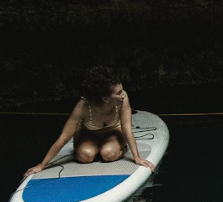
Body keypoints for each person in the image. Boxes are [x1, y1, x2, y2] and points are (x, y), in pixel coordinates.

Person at [26, 67, 154, 177]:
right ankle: (91, 149)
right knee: (85, 157)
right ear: (105, 98)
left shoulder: (123, 99)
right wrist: (42, 165)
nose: (123, 95)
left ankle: (119, 148)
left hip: (113, 133)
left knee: (109, 154)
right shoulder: (83, 106)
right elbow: (64, 137)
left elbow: (127, 129)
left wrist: (136, 157)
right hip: (88, 135)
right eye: (118, 93)